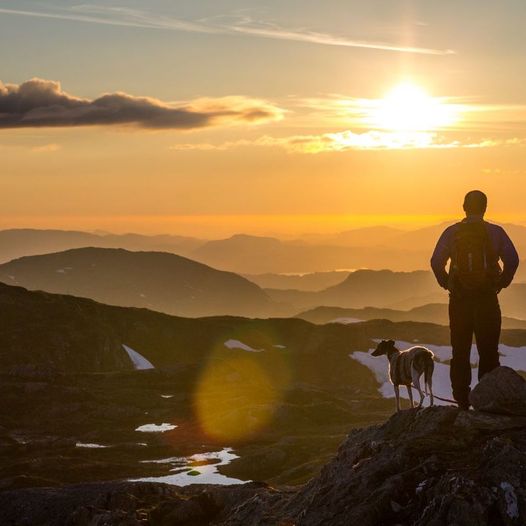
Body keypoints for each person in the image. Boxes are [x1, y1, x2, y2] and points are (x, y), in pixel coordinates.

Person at [430, 190, 519, 409]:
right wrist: (500, 284)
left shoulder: (451, 233)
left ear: (464, 207)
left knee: (460, 351)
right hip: (487, 300)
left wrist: (447, 284)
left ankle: (462, 402)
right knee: (488, 351)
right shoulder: (495, 232)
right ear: (485, 208)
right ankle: (487, 401)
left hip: (459, 301)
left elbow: (436, 261)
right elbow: (513, 260)